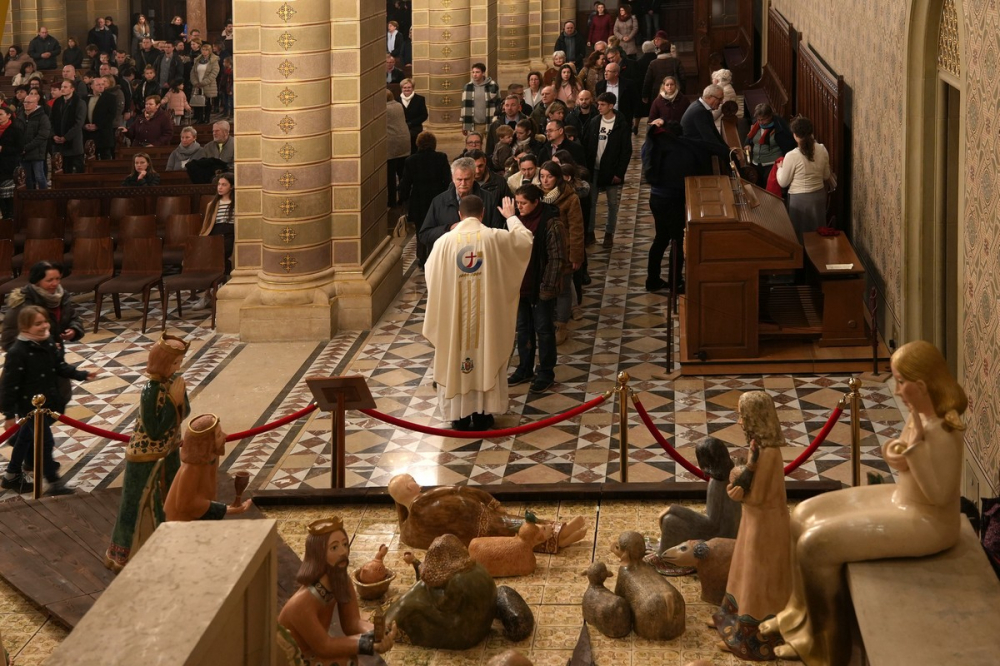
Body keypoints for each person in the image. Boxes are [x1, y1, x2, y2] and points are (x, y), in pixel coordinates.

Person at [759, 341, 967, 665]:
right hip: (903, 499)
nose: (896, 390)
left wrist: (913, 450)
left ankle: (824, 646)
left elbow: (938, 496)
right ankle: (796, 615)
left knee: (815, 545)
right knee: (802, 513)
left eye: (901, 382)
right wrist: (900, 452)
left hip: (929, 522)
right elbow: (904, 459)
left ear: (922, 385)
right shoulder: (921, 415)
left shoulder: (943, 429)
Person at [423, 194, 533, 429]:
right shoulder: (494, 237)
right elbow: (524, 240)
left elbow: (431, 274)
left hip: (455, 321)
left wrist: (447, 301)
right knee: (485, 356)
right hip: (486, 320)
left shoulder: (444, 242)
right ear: (482, 214)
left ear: (459, 215)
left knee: (456, 359)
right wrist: (511, 217)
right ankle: (483, 414)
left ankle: (459, 417)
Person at [711, 391, 791, 660]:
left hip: (765, 525)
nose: (740, 421)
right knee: (742, 570)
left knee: (757, 579)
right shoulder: (758, 448)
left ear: (756, 418)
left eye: (743, 416)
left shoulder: (769, 454)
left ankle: (751, 639)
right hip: (753, 520)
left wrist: (737, 490)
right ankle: (731, 622)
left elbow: (758, 496)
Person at [105, 334, 190, 571]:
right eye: (174, 363)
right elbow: (154, 430)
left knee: (169, 498)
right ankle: (124, 553)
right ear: (162, 362)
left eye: (180, 362)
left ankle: (168, 545)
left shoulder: (174, 381)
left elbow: (185, 410)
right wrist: (173, 400)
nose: (178, 367)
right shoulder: (150, 390)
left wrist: (179, 400)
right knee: (136, 504)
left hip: (169, 450)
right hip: (145, 456)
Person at [0, 305, 99, 495]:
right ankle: (54, 482)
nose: (44, 326)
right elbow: (9, 386)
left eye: (45, 321)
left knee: (25, 437)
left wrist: (82, 374)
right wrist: (9, 415)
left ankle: (11, 475)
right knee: (45, 442)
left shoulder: (47, 343)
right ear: (25, 327)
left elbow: (59, 366)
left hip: (47, 402)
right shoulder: (17, 352)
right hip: (29, 406)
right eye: (38, 324)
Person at [277, 517, 397, 664]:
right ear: (318, 554)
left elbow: (352, 623)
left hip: (315, 651)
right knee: (343, 660)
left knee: (346, 658)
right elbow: (324, 646)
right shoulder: (301, 604)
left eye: (345, 544)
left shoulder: (341, 581)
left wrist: (378, 633)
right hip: (294, 660)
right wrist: (367, 643)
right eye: (334, 547)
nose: (343, 552)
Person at [642, 119, 727, 292]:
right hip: (673, 199)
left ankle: (652, 280)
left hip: (655, 198)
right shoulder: (680, 147)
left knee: (661, 238)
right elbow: (703, 153)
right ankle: (675, 282)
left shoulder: (652, 143)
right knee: (677, 240)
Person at [163, 415, 251, 521]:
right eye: (219, 435)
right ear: (207, 443)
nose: (225, 436)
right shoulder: (191, 469)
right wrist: (225, 509)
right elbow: (186, 505)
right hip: (181, 523)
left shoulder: (212, 456)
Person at [539, 161, 583, 346]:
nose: (545, 180)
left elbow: (576, 228)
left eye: (549, 176)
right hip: (543, 251)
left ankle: (561, 326)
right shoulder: (536, 195)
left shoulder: (570, 198)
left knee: (563, 289)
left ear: (557, 178)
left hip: (564, 250)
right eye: (542, 176)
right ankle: (547, 323)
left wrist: (575, 256)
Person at [419, 157, 504, 252]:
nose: (463, 183)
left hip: (480, 253)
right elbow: (424, 235)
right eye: (459, 179)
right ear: (452, 178)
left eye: (467, 179)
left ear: (474, 177)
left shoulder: (488, 199)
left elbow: (497, 232)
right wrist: (450, 228)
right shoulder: (439, 201)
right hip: (450, 254)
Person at [582, 92, 632, 249]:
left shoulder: (621, 124)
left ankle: (609, 234)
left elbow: (626, 151)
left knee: (612, 203)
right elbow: (587, 144)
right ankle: (590, 233)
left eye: (602, 104)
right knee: (592, 203)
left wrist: (619, 173)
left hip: (611, 170)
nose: (599, 107)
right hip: (594, 168)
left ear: (611, 105)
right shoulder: (594, 121)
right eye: (598, 104)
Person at [775, 116, 833, 243]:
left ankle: (803, 256)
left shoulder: (792, 155)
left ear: (795, 135)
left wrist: (780, 169)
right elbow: (826, 175)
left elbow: (783, 182)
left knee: (800, 236)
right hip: (818, 196)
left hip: (799, 200)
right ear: (811, 132)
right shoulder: (822, 149)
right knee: (818, 233)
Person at [400, 131, 451, 267]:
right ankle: (437, 257)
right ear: (434, 144)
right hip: (437, 199)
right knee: (438, 229)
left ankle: (422, 259)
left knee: (421, 230)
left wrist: (403, 201)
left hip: (419, 201)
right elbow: (447, 180)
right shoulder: (441, 158)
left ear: (418, 144)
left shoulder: (411, 160)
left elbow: (406, 183)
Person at [199, 172, 236, 292]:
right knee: (209, 254)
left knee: (222, 254)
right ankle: (212, 288)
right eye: (219, 184)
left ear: (231, 186)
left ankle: (222, 284)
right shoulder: (212, 204)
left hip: (230, 234)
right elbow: (207, 225)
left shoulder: (236, 203)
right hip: (215, 233)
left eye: (224, 185)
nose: (220, 187)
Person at [744, 103, 796, 186]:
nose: (761, 122)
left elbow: (788, 146)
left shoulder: (779, 126)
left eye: (763, 119)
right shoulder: (756, 125)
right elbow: (749, 137)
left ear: (770, 116)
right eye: (758, 119)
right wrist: (747, 144)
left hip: (772, 165)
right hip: (756, 164)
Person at [50, 78, 86, 173]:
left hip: (73, 143)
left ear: (72, 89)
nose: (62, 89)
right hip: (58, 143)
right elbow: (51, 120)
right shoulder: (57, 102)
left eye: (65, 87)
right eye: (62, 87)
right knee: (63, 170)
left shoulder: (79, 103)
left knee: (78, 170)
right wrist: (53, 135)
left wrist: (66, 137)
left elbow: (79, 123)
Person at [18, 90, 51, 189]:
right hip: (23, 152)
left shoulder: (42, 117)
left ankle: (44, 196)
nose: (26, 104)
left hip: (36, 152)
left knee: (39, 177)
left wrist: (26, 148)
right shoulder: (20, 116)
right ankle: (30, 196)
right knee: (26, 178)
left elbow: (42, 136)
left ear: (36, 103)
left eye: (29, 102)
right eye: (25, 102)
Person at [680, 84, 729, 150]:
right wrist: (729, 153)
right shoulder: (699, 111)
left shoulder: (701, 107)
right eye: (720, 99)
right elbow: (710, 139)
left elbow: (715, 133)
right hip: (693, 151)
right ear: (709, 97)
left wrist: (728, 149)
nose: (721, 102)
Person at [460, 62, 500, 137]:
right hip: (475, 125)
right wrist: (464, 124)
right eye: (473, 72)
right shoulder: (468, 87)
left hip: (490, 122)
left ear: (483, 73)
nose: (474, 74)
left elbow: (498, 103)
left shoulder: (492, 85)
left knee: (491, 143)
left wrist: (498, 119)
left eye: (477, 72)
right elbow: (464, 106)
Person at [386, 89, 410, 208]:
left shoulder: (385, 109)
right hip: (404, 142)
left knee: (390, 176)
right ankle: (403, 198)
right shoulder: (399, 105)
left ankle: (392, 201)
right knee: (402, 174)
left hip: (391, 144)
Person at [83, 74, 117, 160]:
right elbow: (81, 114)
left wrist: (97, 125)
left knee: (105, 158)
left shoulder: (110, 98)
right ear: (92, 86)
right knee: (90, 159)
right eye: (98, 84)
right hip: (88, 133)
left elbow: (111, 115)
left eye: (102, 84)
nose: (101, 86)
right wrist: (84, 125)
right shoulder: (85, 98)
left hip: (103, 133)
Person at [596, 61, 637, 128]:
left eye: (609, 71)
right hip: (605, 119)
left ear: (616, 73)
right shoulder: (599, 85)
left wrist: (635, 122)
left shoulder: (628, 85)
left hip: (623, 119)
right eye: (605, 71)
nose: (605, 73)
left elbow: (634, 103)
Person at [0, 106, 22, 218]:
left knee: (7, 195)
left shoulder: (15, 130)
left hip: (9, 165)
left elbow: (20, 148)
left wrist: (3, 149)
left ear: (8, 115)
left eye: (0, 114)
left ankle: (10, 217)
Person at [190, 42, 219, 124]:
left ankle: (206, 118)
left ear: (209, 51)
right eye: (203, 50)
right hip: (197, 84)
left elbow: (214, 73)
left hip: (208, 85)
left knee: (207, 102)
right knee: (198, 101)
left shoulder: (213, 60)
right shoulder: (197, 60)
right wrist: (195, 82)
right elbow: (192, 72)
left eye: (206, 50)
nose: (204, 51)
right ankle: (199, 118)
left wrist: (204, 82)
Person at [399, 78, 427, 153]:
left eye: (409, 87)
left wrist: (411, 123)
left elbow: (424, 115)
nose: (407, 89)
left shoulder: (420, 99)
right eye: (404, 87)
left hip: (415, 128)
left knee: (414, 149)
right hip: (401, 129)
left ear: (413, 88)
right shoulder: (397, 100)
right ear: (401, 88)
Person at [711, 68, 738, 133]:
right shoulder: (726, 88)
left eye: (713, 79)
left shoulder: (725, 91)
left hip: (721, 122)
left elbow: (718, 111)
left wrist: (708, 118)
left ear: (718, 80)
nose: (712, 81)